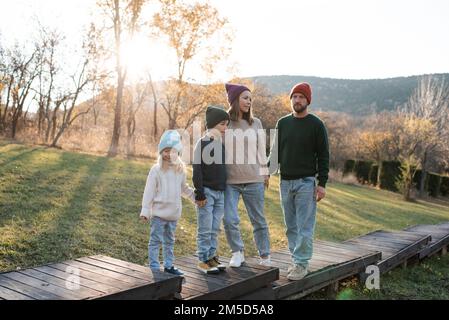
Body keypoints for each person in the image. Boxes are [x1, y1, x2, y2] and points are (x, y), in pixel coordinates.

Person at [269, 82, 329, 281]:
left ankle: (301, 264)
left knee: (304, 226)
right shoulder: (283, 123)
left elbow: (323, 156)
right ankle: (296, 260)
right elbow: (275, 151)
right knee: (291, 227)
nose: (297, 100)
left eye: (301, 97)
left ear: (307, 100)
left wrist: (322, 184)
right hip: (285, 183)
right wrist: (266, 173)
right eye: (294, 97)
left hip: (306, 182)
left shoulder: (316, 125)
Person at [223, 83, 271, 267]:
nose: (249, 101)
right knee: (228, 218)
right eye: (245, 97)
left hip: (254, 180)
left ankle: (265, 255)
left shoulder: (256, 122)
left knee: (258, 220)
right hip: (230, 181)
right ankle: (237, 252)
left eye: (250, 98)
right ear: (235, 100)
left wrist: (265, 173)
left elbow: (261, 150)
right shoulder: (225, 121)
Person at [140, 130, 195, 276]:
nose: (168, 154)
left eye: (172, 151)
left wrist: (195, 198)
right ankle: (154, 265)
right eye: (165, 150)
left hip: (173, 215)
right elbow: (149, 191)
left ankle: (169, 265)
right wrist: (145, 211)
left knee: (169, 241)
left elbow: (184, 188)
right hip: (158, 214)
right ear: (161, 152)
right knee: (155, 240)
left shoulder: (180, 170)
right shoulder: (156, 170)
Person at [193, 105, 230, 274]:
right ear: (213, 125)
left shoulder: (221, 145)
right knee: (205, 228)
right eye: (222, 124)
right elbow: (197, 170)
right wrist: (199, 193)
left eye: (226, 125)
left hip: (220, 194)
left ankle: (212, 257)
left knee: (215, 228)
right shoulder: (202, 143)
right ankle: (203, 260)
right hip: (206, 193)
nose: (225, 128)